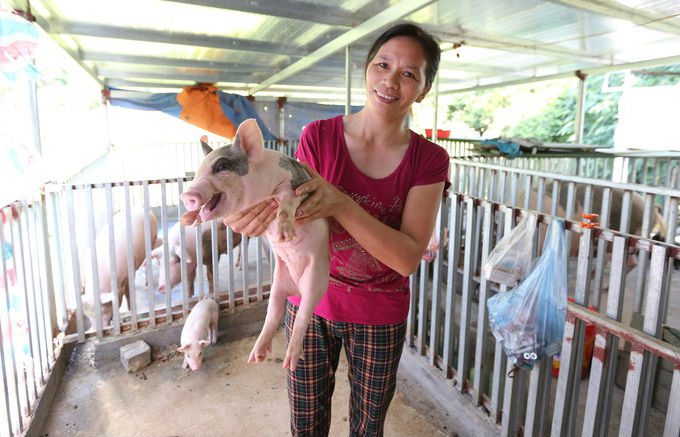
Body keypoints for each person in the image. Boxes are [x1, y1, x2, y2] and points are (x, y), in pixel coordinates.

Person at [226, 22, 450, 437]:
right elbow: (289, 211)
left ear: (423, 89)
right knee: (305, 422)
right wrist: (246, 212)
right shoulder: (319, 136)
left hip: (379, 312)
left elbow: (405, 259)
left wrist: (342, 204)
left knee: (368, 427)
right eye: (383, 64)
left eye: (408, 73)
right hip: (309, 298)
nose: (390, 80)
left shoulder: (429, 159)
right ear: (367, 70)